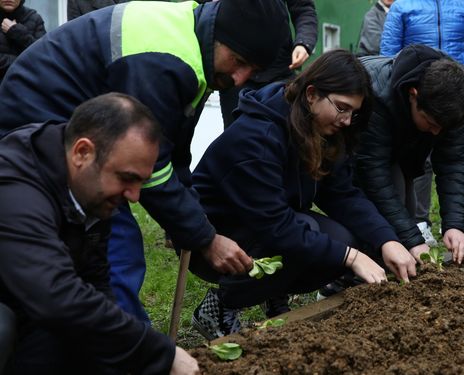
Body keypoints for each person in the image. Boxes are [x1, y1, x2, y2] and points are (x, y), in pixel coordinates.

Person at [0, 0, 289, 322]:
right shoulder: (167, 62)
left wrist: (190, 219)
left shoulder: (194, 40)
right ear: (219, 38)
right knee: (117, 251)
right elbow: (152, 170)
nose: (239, 79)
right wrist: (204, 238)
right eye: (238, 61)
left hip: (74, 123)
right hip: (37, 123)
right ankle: (124, 349)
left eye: (252, 71)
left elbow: (173, 149)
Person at [187, 50, 419, 339]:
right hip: (214, 241)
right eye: (342, 108)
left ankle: (274, 292)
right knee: (314, 239)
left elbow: (343, 195)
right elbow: (278, 228)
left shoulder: (317, 130)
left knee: (342, 239)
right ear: (311, 94)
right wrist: (352, 258)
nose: (347, 120)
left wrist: (388, 240)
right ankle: (219, 307)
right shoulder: (258, 138)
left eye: (353, 113)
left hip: (265, 226)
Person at [0, 93, 199, 375]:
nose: (134, 196)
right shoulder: (15, 187)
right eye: (127, 178)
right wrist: (159, 353)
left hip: (27, 301)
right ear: (83, 152)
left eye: (141, 181)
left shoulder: (86, 187)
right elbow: (55, 295)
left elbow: (94, 283)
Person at [350, 44, 464, 288]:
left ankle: (388, 273)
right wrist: (411, 239)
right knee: (386, 219)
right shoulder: (376, 95)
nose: (436, 132)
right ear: (413, 94)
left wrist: (455, 225)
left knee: (404, 219)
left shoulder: (455, 99)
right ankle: (346, 282)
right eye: (430, 122)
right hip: (355, 148)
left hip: (402, 146)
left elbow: (452, 163)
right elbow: (373, 174)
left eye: (443, 128)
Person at [379, 0, 464, 244]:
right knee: (418, 162)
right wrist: (394, 102)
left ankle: (454, 221)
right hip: (419, 95)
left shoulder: (462, 6)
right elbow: (388, 53)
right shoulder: (402, 6)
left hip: (456, 96)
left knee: (455, 154)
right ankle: (420, 221)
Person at [219, 0, 317, 129]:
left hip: (279, 71)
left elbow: (303, 8)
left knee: (288, 133)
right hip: (234, 70)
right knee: (236, 136)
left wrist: (304, 43)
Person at [0, 0, 45, 82]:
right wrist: (24, 63)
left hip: (26, 84)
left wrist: (17, 32)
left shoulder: (35, 19)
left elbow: (42, 56)